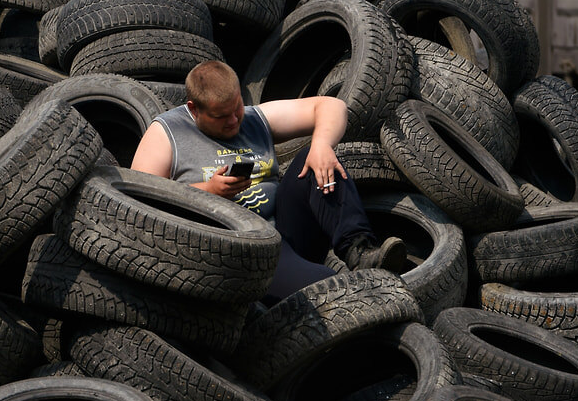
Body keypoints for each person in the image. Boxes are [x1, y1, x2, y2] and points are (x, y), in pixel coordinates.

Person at [130, 60, 405, 299]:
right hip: (238, 253)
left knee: (315, 156)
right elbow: (141, 203)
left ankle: (360, 251)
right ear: (193, 109)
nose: (234, 120)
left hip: (286, 233)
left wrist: (322, 145)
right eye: (221, 116)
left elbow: (331, 106)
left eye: (236, 107)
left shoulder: (252, 118)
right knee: (331, 285)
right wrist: (207, 191)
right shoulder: (166, 132)